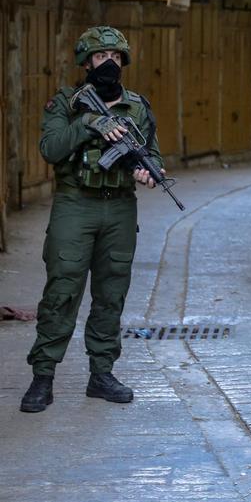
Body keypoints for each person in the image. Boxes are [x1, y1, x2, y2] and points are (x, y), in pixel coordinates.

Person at [19, 26, 164, 413]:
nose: (110, 64)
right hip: (75, 204)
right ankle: (43, 376)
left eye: (116, 58)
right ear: (86, 63)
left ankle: (102, 375)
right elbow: (50, 149)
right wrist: (87, 125)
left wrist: (149, 173)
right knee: (62, 291)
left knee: (111, 293)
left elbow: (154, 153)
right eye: (102, 58)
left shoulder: (136, 107)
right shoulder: (67, 104)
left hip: (119, 207)